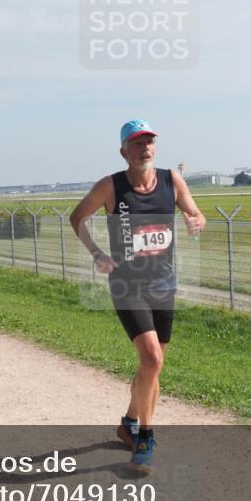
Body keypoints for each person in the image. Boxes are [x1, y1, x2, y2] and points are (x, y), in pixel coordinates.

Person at [69, 120, 206, 472]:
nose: (145, 147)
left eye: (149, 141)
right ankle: (145, 436)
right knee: (152, 361)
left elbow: (196, 212)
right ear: (123, 151)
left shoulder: (171, 181)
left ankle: (129, 422)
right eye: (137, 142)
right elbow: (77, 218)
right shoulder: (111, 187)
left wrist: (195, 221)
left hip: (164, 285)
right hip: (127, 286)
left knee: (152, 366)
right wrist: (98, 254)